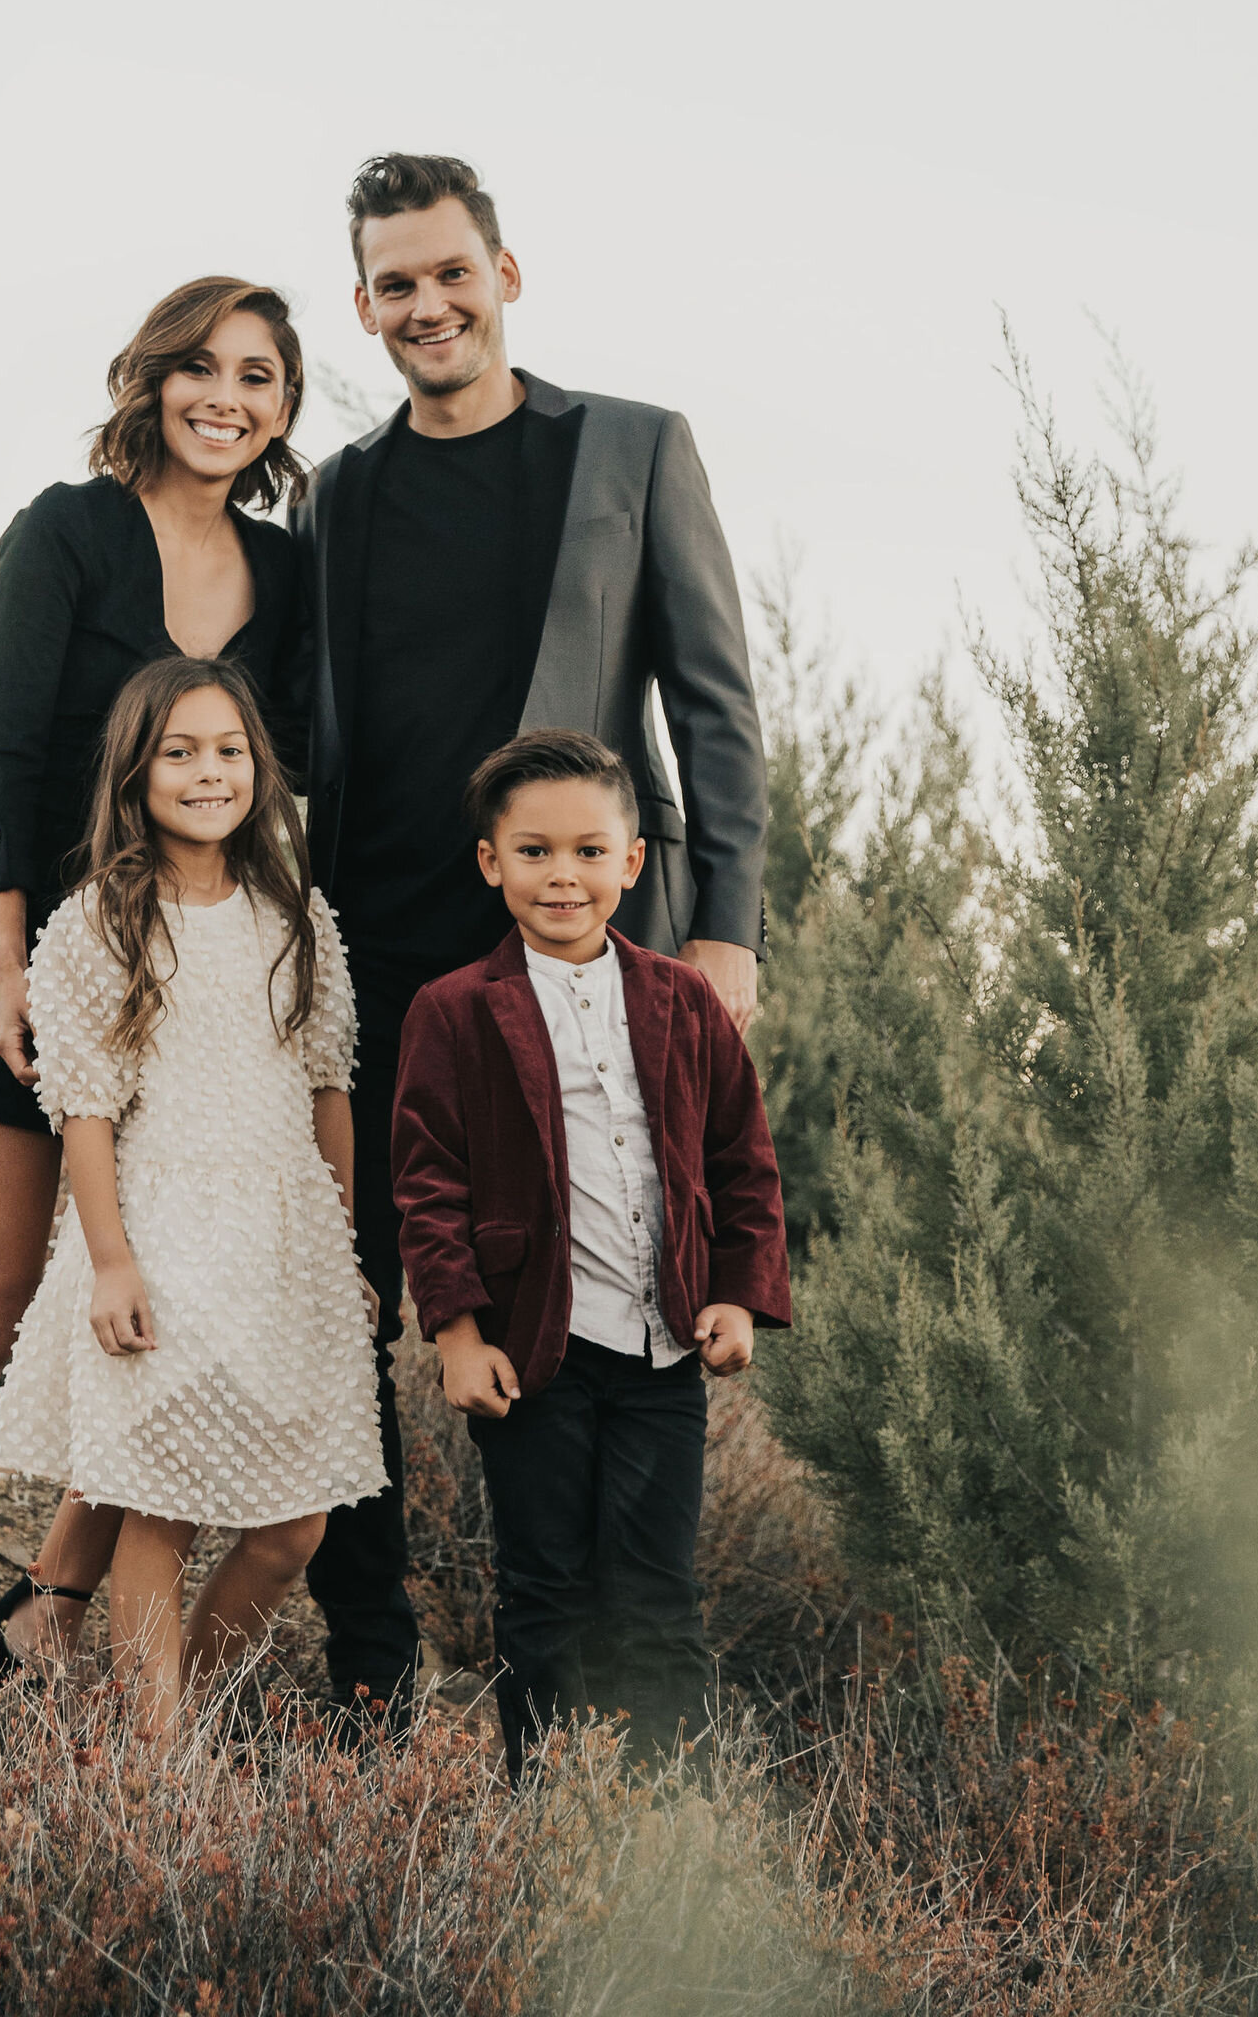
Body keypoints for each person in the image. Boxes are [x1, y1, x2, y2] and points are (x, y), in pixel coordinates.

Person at [299, 151, 769, 1716]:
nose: (428, 304)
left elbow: (716, 709)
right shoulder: (342, 492)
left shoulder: (633, 450)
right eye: (396, 284)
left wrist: (726, 930)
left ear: (504, 274)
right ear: (363, 306)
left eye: (452, 272)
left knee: (608, 1303)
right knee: (355, 1300)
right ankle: (372, 1666)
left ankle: (606, 1698)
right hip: (377, 965)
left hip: (578, 959)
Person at [0, 279, 311, 1659]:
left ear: (284, 407)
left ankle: (47, 1607)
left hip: (184, 994)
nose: (224, 397)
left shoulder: (286, 575)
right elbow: (0, 767)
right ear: (151, 379)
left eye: (256, 375)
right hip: (21, 957)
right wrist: (14, 973)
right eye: (200, 367)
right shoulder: (64, 533)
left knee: (164, 1304)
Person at [0, 657, 384, 1739]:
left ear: (260, 769)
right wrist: (112, 1261)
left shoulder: (297, 920)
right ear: (134, 771)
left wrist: (345, 1251)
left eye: (229, 751)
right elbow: (84, 1110)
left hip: (285, 1245)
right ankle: (156, 1764)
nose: (209, 773)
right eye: (179, 752)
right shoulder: (95, 924)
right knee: (158, 1504)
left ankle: (185, 1711)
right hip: (161, 1234)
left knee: (293, 1527)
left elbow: (329, 1092)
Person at [392, 728, 790, 1778]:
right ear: (491, 863)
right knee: (546, 1589)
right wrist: (457, 1335)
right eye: (533, 852)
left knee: (657, 1594)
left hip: (663, 1351)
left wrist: (738, 1297)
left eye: (587, 851)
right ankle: (543, 1813)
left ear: (632, 861)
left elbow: (741, 1158)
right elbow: (427, 1187)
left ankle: (672, 1819)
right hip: (535, 1353)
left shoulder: (682, 1000)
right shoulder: (451, 1011)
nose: (561, 875)